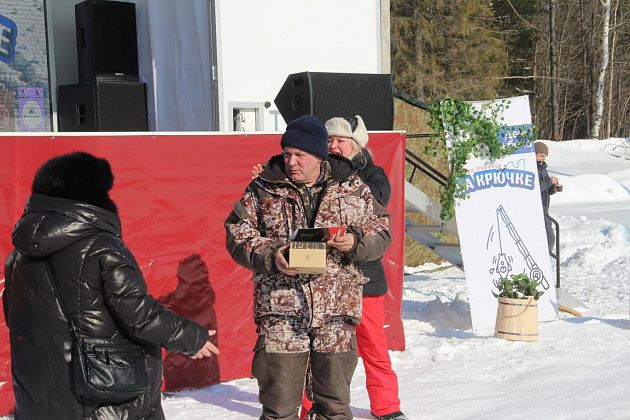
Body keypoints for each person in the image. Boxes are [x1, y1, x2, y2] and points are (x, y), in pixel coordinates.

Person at [3, 152, 219, 420]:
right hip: (102, 394)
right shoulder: (102, 246)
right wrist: (191, 338)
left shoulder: (16, 257)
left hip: (35, 396)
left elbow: (16, 320)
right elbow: (139, 315)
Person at [225, 115, 391, 419]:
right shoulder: (263, 188)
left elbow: (381, 229)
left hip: (336, 315)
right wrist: (273, 256)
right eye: (287, 153)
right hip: (282, 316)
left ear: (319, 155)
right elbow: (237, 234)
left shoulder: (352, 186)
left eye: (300, 155)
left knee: (334, 408)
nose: (291, 162)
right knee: (279, 409)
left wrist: (355, 241)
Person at [535, 141, 561, 251]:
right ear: (534, 154)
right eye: (541, 156)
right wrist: (550, 182)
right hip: (536, 209)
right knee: (549, 239)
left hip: (544, 209)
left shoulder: (543, 168)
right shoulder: (531, 169)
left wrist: (553, 188)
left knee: (550, 239)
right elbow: (535, 189)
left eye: (545, 156)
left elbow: (546, 190)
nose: (543, 158)